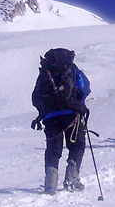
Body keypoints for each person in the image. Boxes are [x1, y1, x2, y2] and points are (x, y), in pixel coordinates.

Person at [31, 48, 90, 194]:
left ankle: (50, 184)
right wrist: (77, 103)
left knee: (53, 149)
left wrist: (44, 113)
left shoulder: (45, 73)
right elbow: (85, 87)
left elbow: (35, 97)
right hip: (71, 112)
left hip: (50, 117)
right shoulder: (71, 69)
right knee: (76, 146)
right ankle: (71, 179)